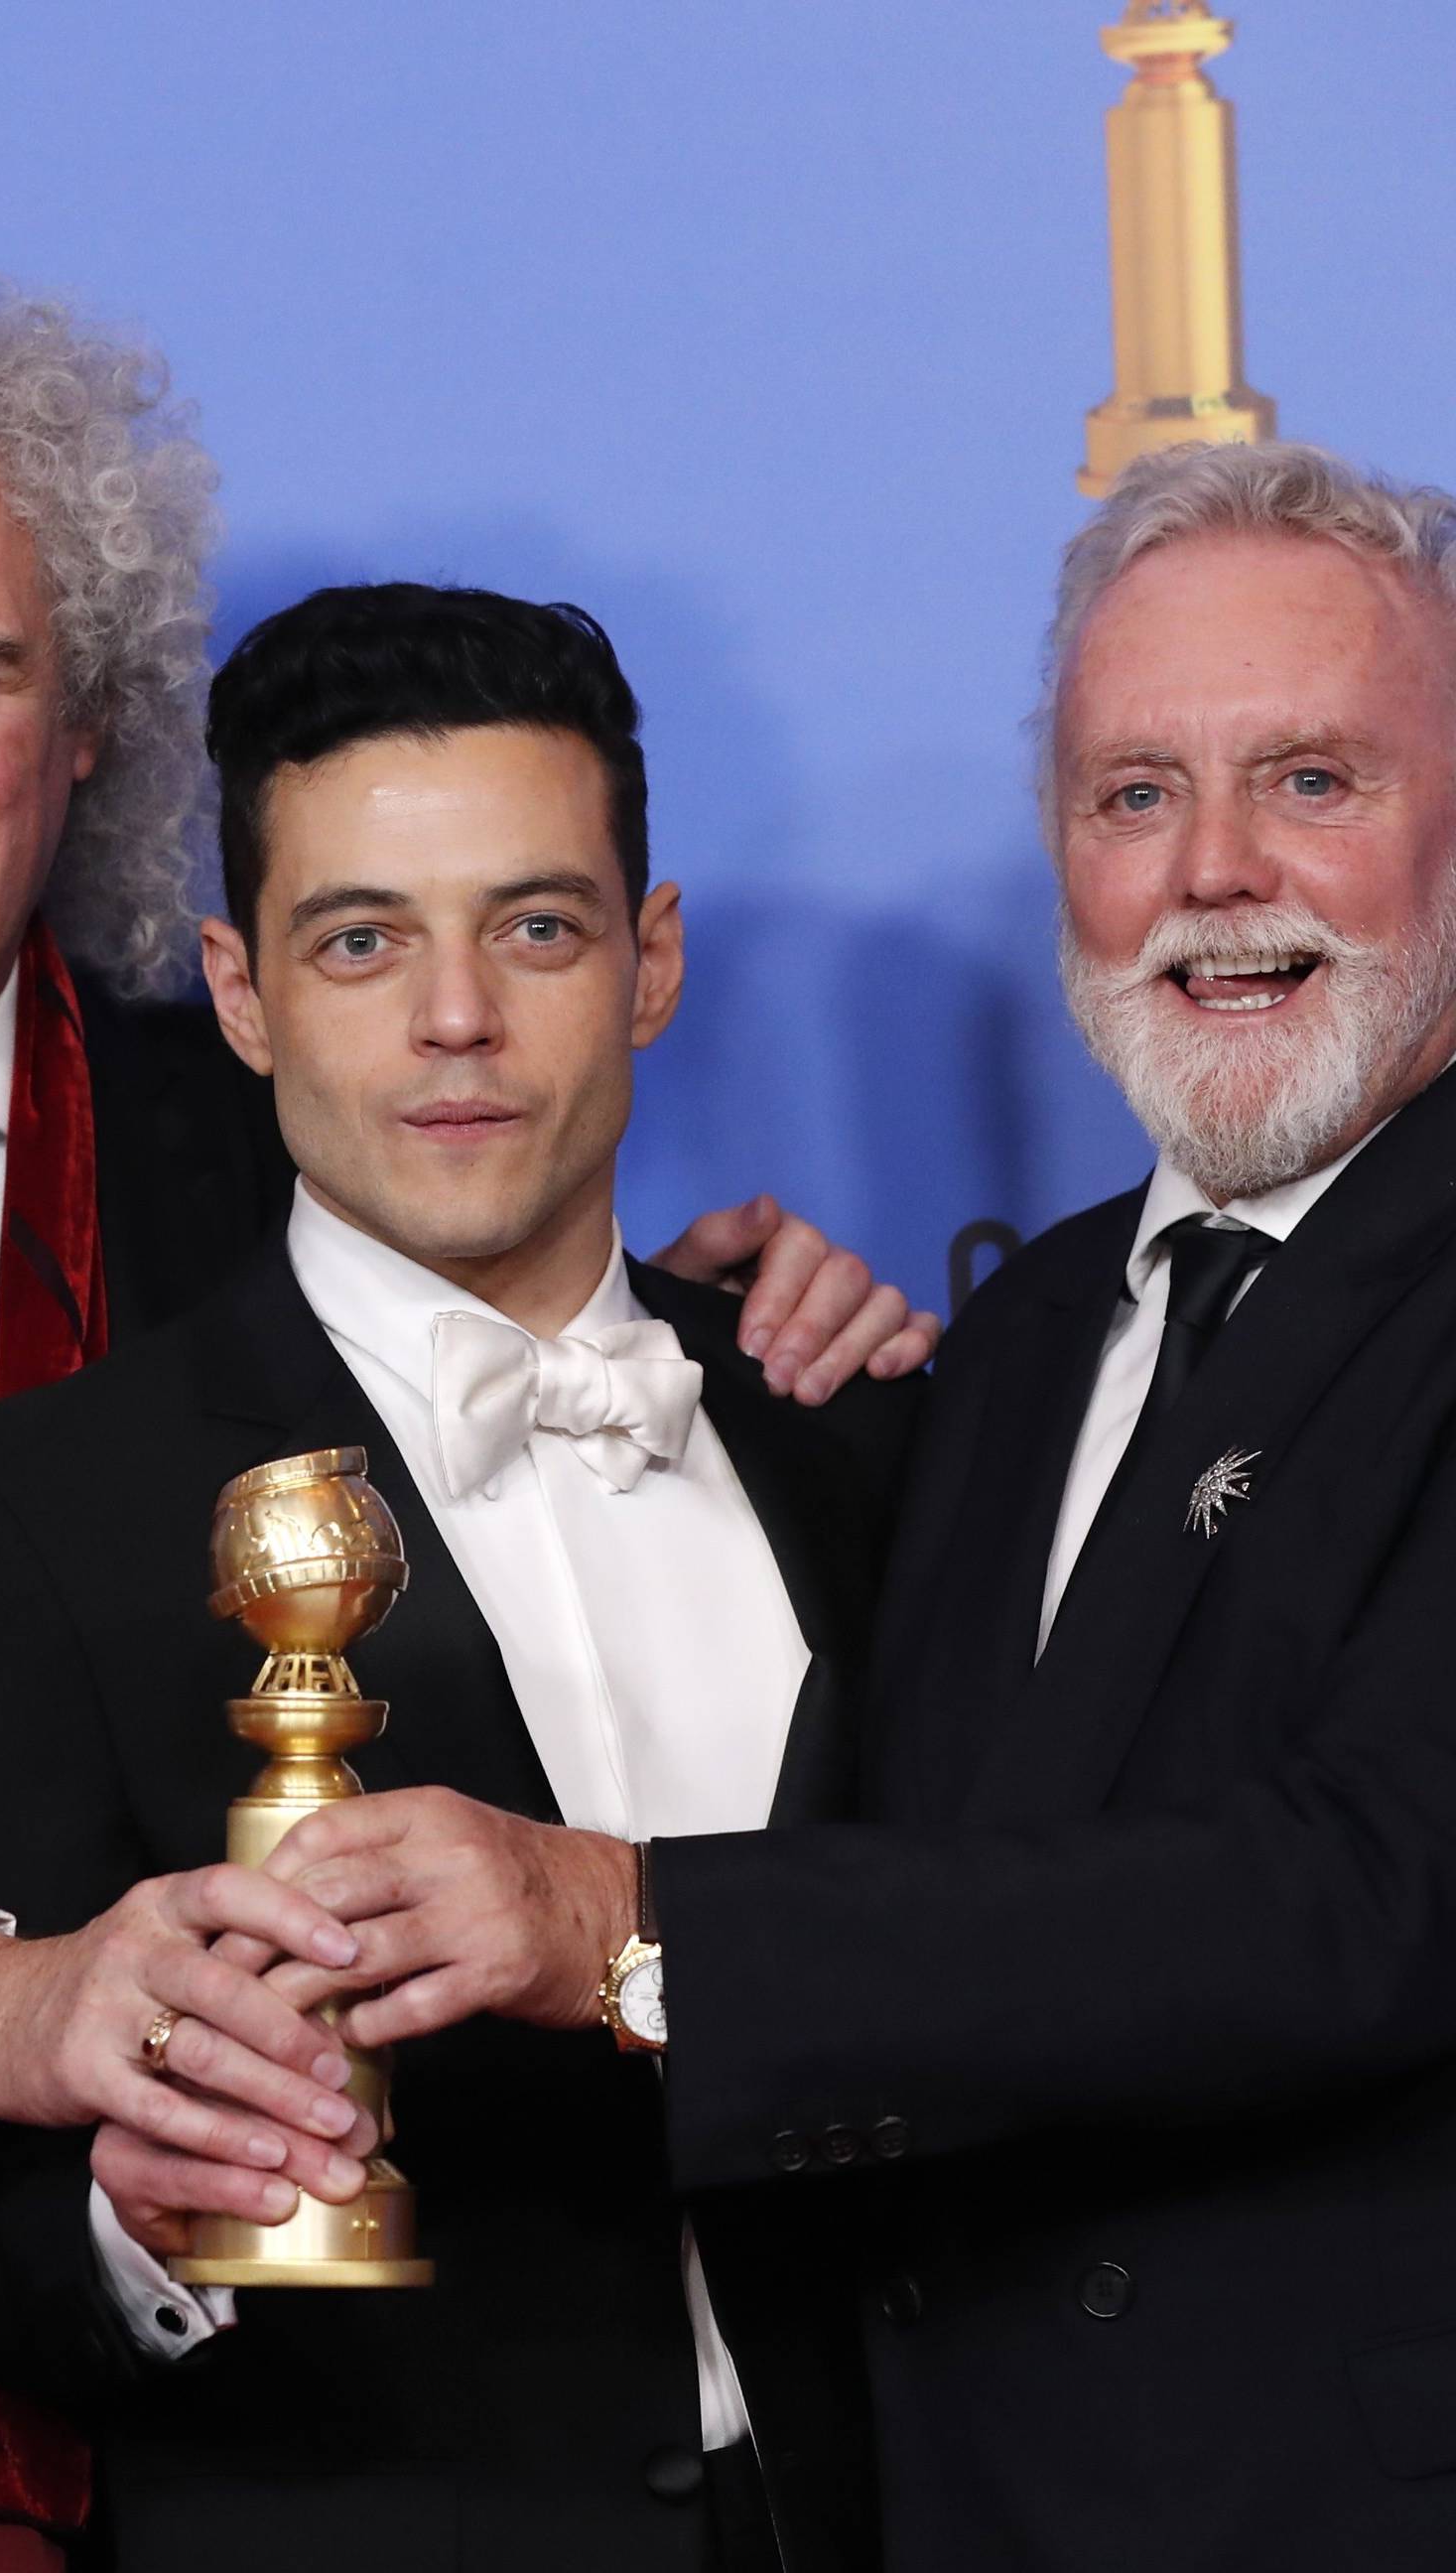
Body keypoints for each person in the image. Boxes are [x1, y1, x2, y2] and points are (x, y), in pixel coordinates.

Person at [0, 247, 929, 2571]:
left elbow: (483, 1319)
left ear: (81, 726)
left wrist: (720, 1331)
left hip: (252, 2443)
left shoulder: (285, 1117)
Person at [243, 444, 1456, 2569]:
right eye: (1133, 794)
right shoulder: (1002, 1348)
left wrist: (627, 1931)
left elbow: (1349, 1901)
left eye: (1316, 783)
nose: (1213, 871)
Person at [0, 581, 921, 2573]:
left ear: (651, 959)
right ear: (240, 992)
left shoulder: (868, 1446)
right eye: (362, 942)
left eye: (535, 926)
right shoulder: (20, 1526)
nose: (457, 1020)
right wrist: (148, 2218)